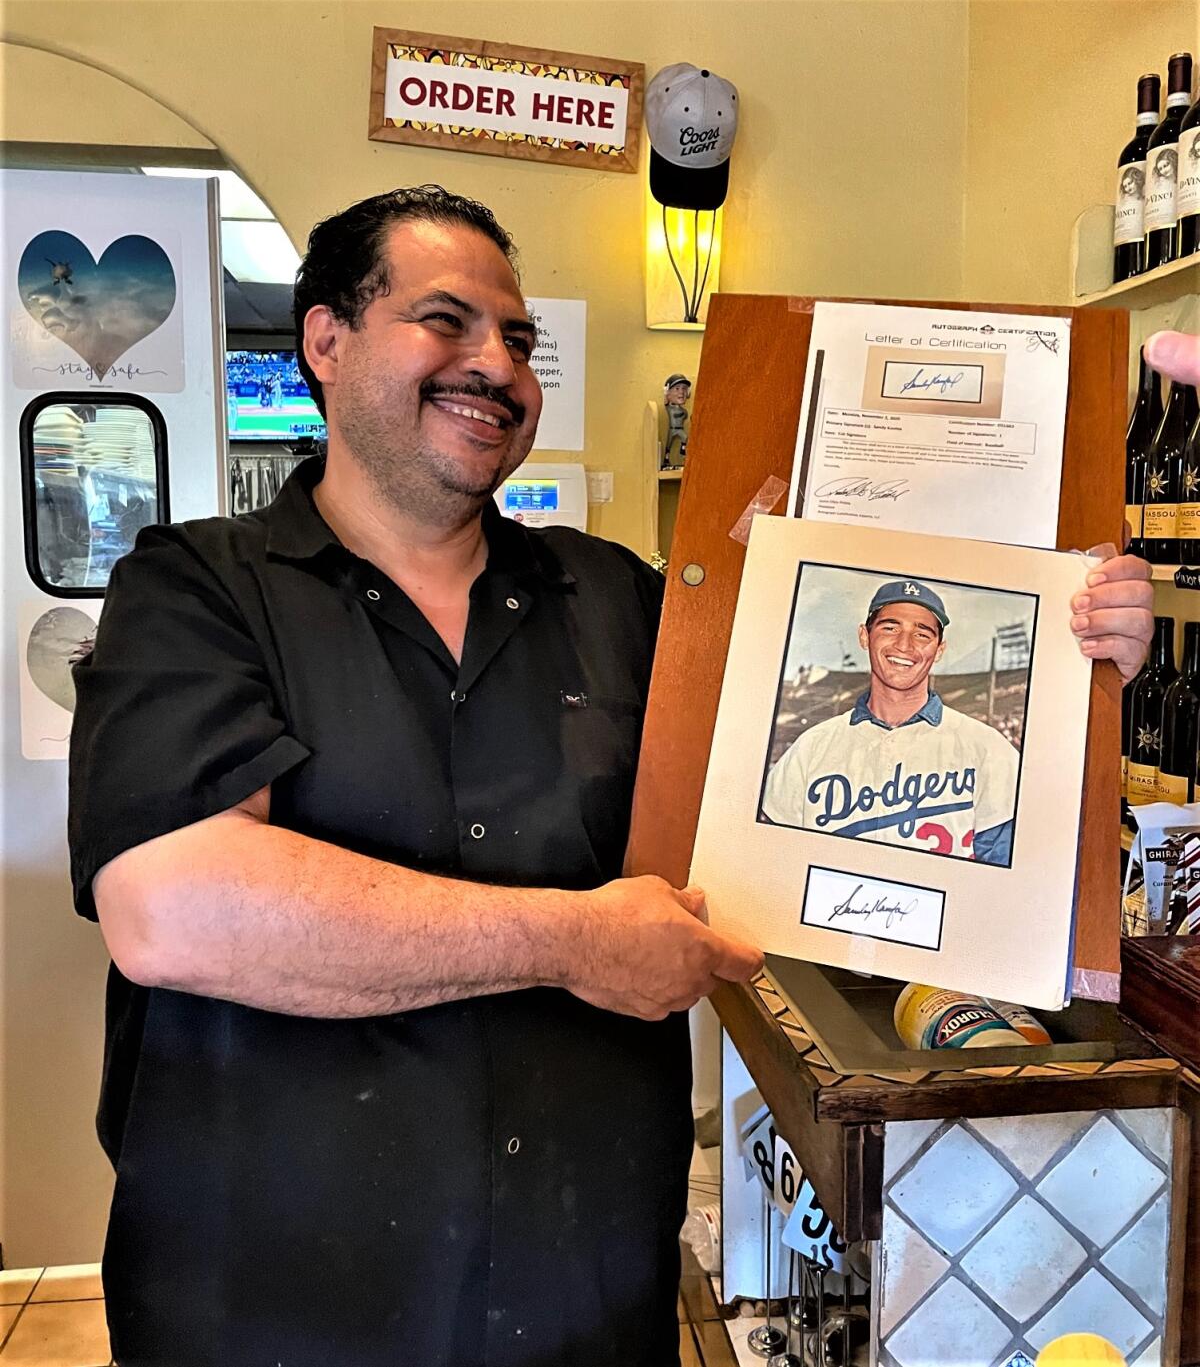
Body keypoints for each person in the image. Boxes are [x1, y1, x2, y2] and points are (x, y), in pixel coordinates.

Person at [67, 186, 762, 1367]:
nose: (498, 364)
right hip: (275, 1308)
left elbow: (819, 754)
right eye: (447, 321)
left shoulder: (623, 600)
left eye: (521, 339)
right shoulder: (192, 590)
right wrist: (570, 938)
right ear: (325, 342)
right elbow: (171, 906)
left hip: (581, 1295)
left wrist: (1064, 659)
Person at [761, 578, 1020, 865]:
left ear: (940, 649)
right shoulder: (810, 748)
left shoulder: (988, 749)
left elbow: (1003, 877)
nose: (904, 644)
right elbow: (774, 862)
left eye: (922, 634)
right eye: (890, 628)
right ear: (864, 636)